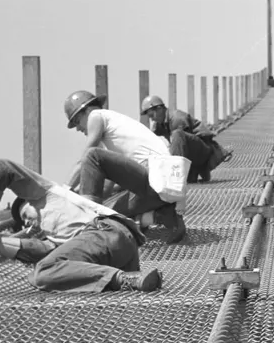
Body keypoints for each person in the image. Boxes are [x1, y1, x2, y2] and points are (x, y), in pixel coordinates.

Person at [0, 158, 162, 293]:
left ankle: (123, 279)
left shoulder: (46, 194)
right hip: (121, 248)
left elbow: (3, 168)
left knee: (42, 273)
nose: (26, 222)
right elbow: (37, 251)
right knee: (51, 269)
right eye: (23, 221)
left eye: (25, 213)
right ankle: (133, 278)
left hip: (103, 231)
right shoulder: (56, 237)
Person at [63, 90, 186, 242]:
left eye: (76, 121)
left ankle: (87, 225)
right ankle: (163, 216)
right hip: (163, 189)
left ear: (87, 110)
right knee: (108, 215)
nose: (77, 128)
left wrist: (65, 192)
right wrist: (78, 195)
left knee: (91, 155)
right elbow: (106, 188)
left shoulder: (96, 116)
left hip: (155, 178)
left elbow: (86, 158)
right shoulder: (114, 139)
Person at [141, 95, 233, 183]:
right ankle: (188, 173)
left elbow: (183, 145)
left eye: (152, 116)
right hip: (193, 154)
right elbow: (150, 138)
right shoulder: (160, 124)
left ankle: (176, 175)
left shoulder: (177, 118)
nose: (152, 120)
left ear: (159, 109)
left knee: (178, 134)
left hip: (203, 152)